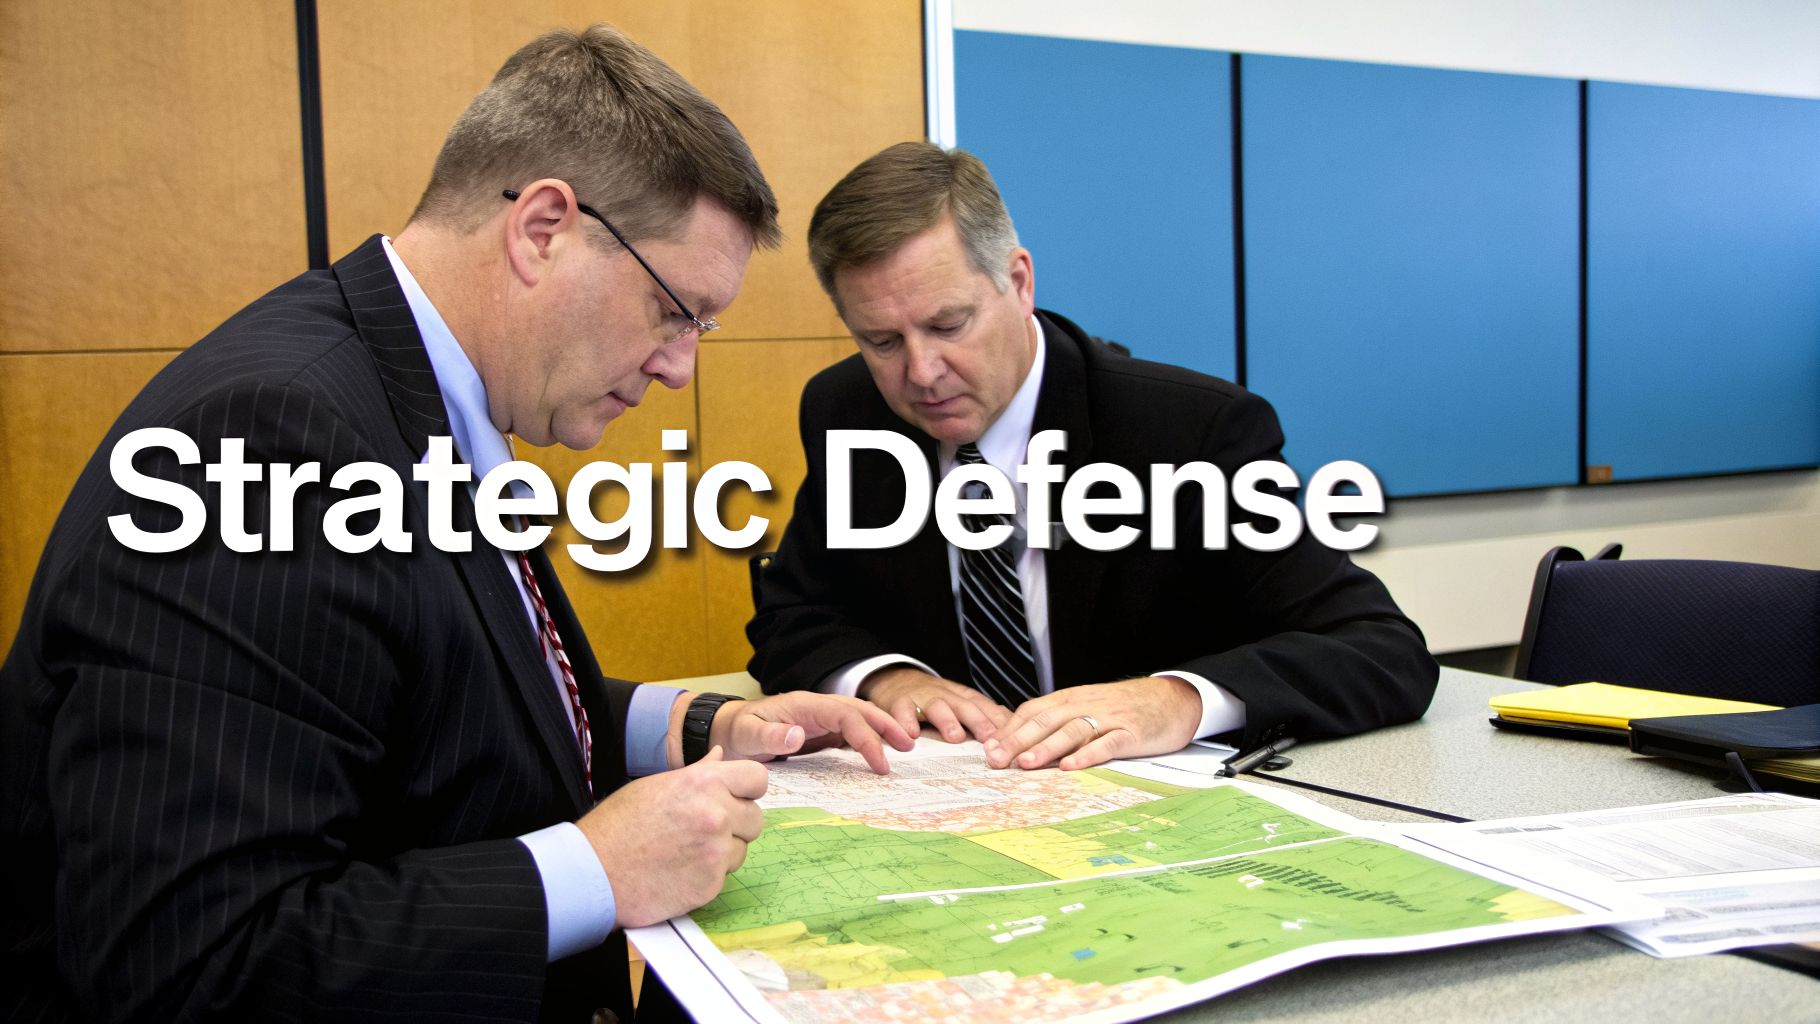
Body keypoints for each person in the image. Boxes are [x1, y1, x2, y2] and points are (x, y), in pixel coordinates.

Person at [0, 25, 912, 1023]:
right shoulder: (273, 437)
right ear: (543, 229)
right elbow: (197, 957)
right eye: (672, 311)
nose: (677, 367)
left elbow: (424, 706)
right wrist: (595, 870)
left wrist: (697, 724)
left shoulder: (413, 399)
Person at [747, 141, 1437, 772]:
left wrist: (1176, 699)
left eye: (948, 324)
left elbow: (1380, 649)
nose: (922, 372)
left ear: (1020, 283)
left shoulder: (1193, 433)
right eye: (882, 342)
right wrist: (886, 677)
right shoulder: (847, 411)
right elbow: (792, 616)